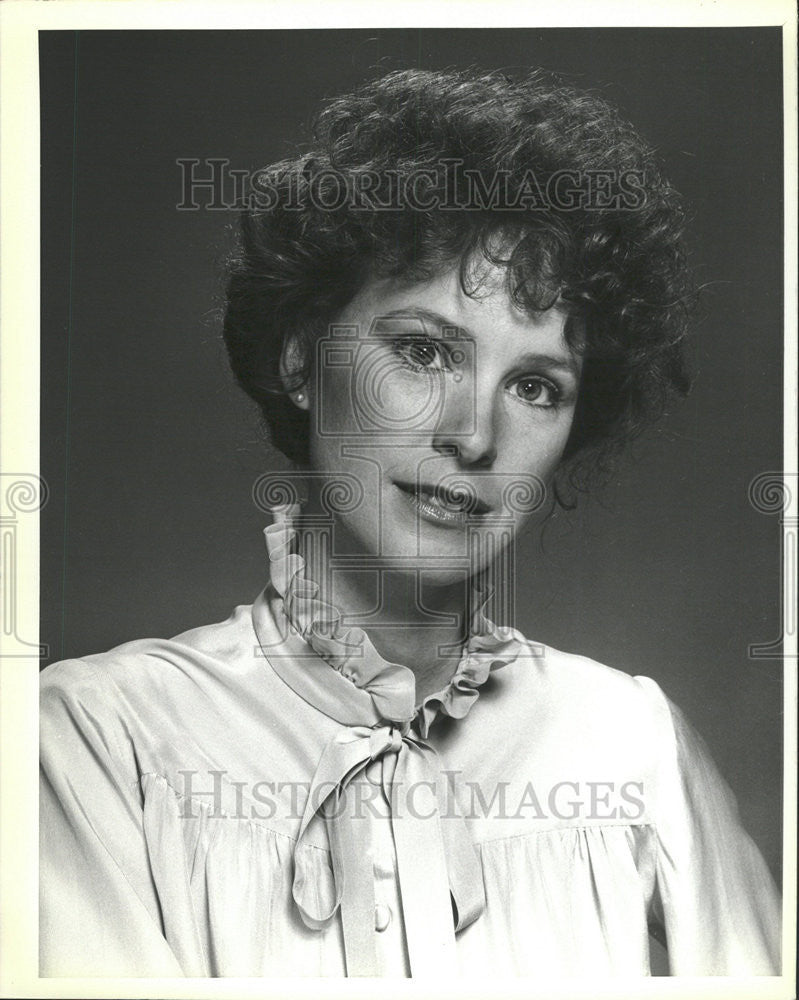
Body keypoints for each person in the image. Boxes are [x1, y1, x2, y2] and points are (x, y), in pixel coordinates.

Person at [39, 67, 781, 978]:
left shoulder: (627, 745)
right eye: (423, 352)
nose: (473, 435)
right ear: (303, 358)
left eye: (535, 387)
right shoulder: (95, 742)